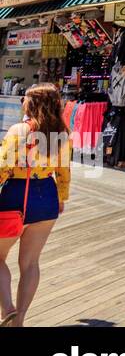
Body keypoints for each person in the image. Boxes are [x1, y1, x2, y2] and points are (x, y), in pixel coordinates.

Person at [0, 84, 72, 327]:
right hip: (47, 197)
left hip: (16, 195)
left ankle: (7, 307)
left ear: (32, 103)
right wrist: (61, 197)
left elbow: (3, 167)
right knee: (30, 264)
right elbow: (64, 172)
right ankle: (18, 321)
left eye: (25, 98)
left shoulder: (19, 130)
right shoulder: (62, 133)